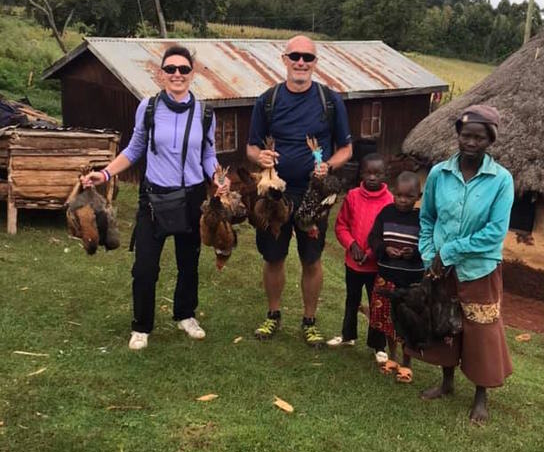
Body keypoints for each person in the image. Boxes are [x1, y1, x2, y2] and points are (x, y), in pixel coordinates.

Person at [82, 45, 229, 351]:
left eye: (183, 69)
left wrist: (217, 177)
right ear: (161, 74)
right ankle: (141, 325)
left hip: (192, 198)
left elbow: (207, 154)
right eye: (171, 69)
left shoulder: (205, 113)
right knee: (145, 267)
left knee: (188, 263)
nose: (177, 74)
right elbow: (135, 149)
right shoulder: (148, 108)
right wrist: (106, 173)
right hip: (154, 199)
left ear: (192, 74)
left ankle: (185, 314)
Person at [247, 35, 352, 346]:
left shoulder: (330, 101)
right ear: (285, 60)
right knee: (274, 256)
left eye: (308, 57)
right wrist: (260, 156)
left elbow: (346, 148)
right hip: (274, 193)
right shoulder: (268, 100)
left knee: (311, 258)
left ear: (315, 63)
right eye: (295, 56)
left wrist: (329, 165)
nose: (301, 63)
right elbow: (252, 147)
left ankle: (309, 320)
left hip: (313, 194)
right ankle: (273, 315)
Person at [418, 104, 514, 423]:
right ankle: (446, 383)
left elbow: (494, 234)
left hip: (479, 270)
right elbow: (428, 217)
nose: (470, 143)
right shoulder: (439, 174)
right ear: (457, 135)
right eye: (466, 136)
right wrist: (428, 253)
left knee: (481, 330)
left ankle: (481, 396)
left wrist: (448, 253)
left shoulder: (501, 181)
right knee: (445, 321)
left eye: (479, 138)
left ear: (490, 141)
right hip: (440, 266)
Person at [328, 153, 393, 351]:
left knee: (378, 304)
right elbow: (341, 225)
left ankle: (378, 346)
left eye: (377, 173)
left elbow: (388, 234)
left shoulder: (390, 201)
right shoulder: (353, 196)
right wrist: (351, 245)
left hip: (376, 265)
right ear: (361, 173)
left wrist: (371, 252)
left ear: (385, 174)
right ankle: (348, 335)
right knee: (352, 300)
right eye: (367, 173)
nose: (372, 177)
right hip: (353, 263)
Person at [368, 171, 423, 383]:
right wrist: (385, 248)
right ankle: (392, 357)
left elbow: (428, 245)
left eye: (409, 196)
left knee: (407, 321)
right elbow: (373, 238)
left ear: (418, 196)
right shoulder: (385, 213)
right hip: (386, 277)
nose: (402, 200)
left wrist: (414, 253)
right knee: (387, 320)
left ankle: (407, 362)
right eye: (399, 195)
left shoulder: (420, 219)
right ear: (393, 192)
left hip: (411, 282)